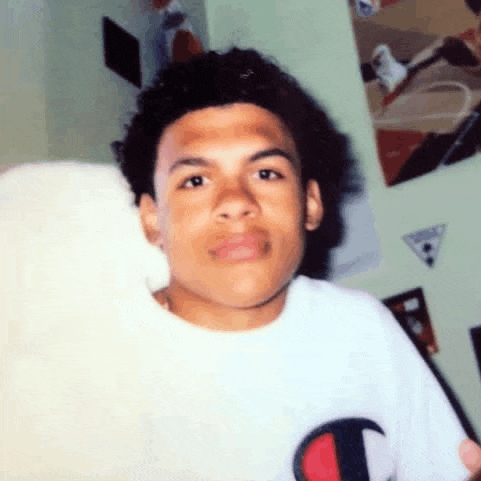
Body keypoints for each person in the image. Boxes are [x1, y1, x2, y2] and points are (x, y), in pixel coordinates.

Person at [112, 47, 481, 480]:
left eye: (266, 173)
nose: (236, 203)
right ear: (153, 219)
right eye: (196, 180)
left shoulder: (362, 327)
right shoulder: (95, 368)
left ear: (309, 203)